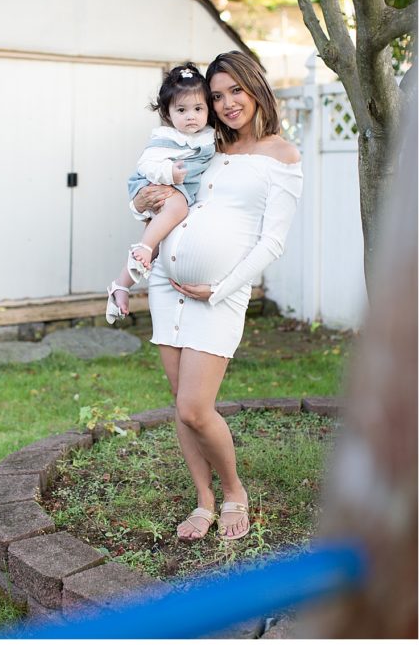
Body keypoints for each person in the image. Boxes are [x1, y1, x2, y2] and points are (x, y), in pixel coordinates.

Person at [132, 51, 302, 542]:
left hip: (218, 295)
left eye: (236, 92)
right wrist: (138, 200)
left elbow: (273, 241)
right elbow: (158, 193)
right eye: (217, 95)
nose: (227, 104)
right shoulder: (204, 147)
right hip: (167, 285)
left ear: (256, 89)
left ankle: (233, 492)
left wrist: (221, 287)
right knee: (179, 401)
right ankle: (203, 501)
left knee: (194, 407)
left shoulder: (281, 156)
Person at [106, 64, 216, 324]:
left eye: (198, 109)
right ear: (167, 114)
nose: (191, 116)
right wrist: (169, 173)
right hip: (155, 185)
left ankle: (120, 286)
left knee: (156, 249)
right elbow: (146, 164)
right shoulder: (166, 137)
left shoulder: (209, 136)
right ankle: (143, 246)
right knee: (173, 216)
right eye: (181, 110)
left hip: (176, 195)